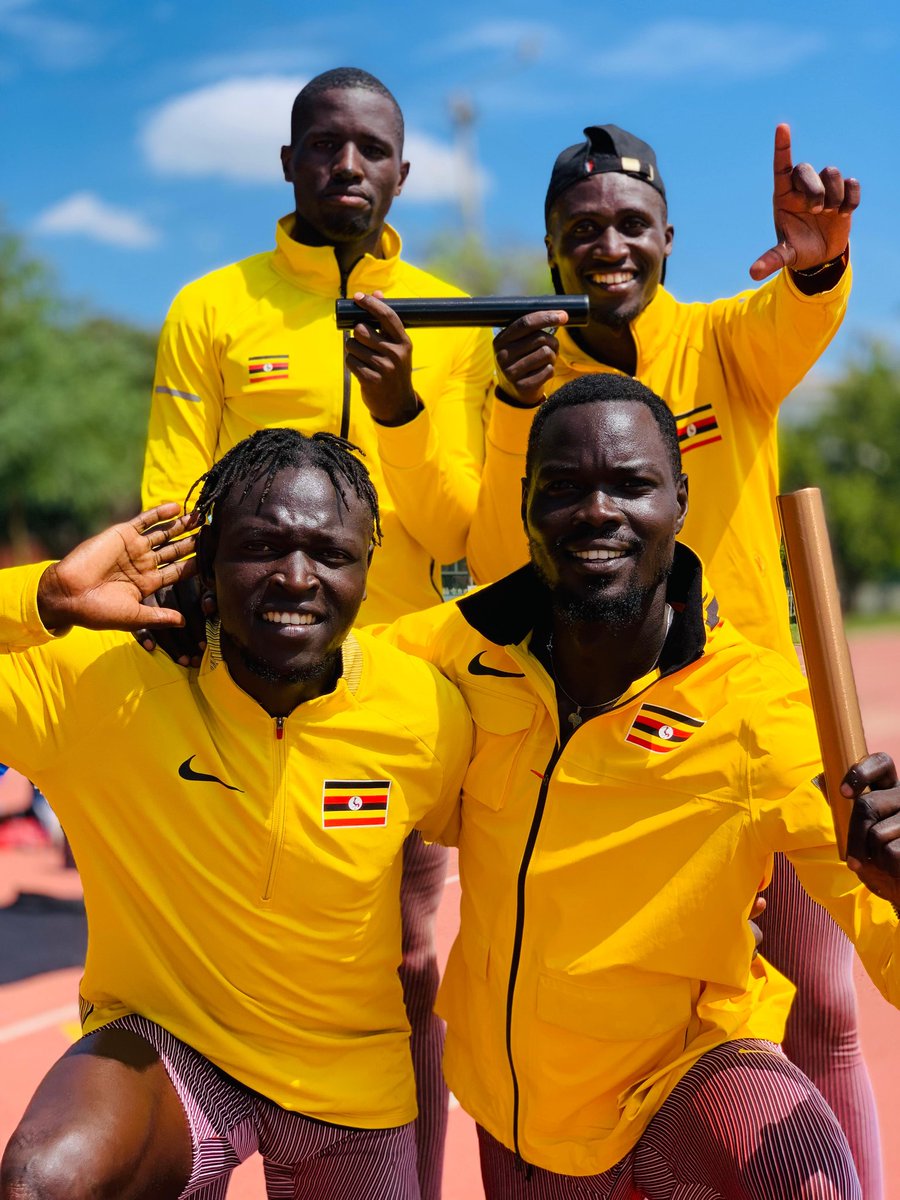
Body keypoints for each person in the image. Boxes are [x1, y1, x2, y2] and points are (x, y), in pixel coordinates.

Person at [461, 122, 880, 1193]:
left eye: (631, 226)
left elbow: (798, 313)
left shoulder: (726, 339)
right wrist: (514, 410)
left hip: (749, 724)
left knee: (826, 998)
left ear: (671, 239)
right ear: (554, 251)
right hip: (613, 740)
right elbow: (503, 556)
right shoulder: (518, 370)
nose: (609, 246)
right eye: (583, 229)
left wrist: (821, 259)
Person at [383, 374, 900, 1198]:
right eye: (564, 487)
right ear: (526, 502)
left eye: (631, 484)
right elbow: (315, 680)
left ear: (680, 500)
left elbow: (880, 933)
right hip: (524, 1111)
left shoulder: (758, 710)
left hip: (687, 1075)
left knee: (802, 1176)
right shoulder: (445, 652)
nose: (597, 511)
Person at [140, 67, 493, 1197]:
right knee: (218, 959)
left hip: (396, 702)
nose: (348, 166)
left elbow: (452, 529)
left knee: (407, 968)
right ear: (287, 164)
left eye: (372, 149)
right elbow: (171, 509)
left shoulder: (448, 318)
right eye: (325, 146)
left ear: (403, 170)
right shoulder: (213, 309)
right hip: (235, 699)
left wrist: (398, 408)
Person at [0, 430, 471, 1200]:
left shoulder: (426, 713)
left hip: (349, 1085)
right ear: (206, 569)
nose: (295, 577)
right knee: (47, 1182)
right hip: (170, 1048)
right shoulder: (98, 682)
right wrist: (43, 599)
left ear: (364, 573)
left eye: (331, 553)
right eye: (260, 546)